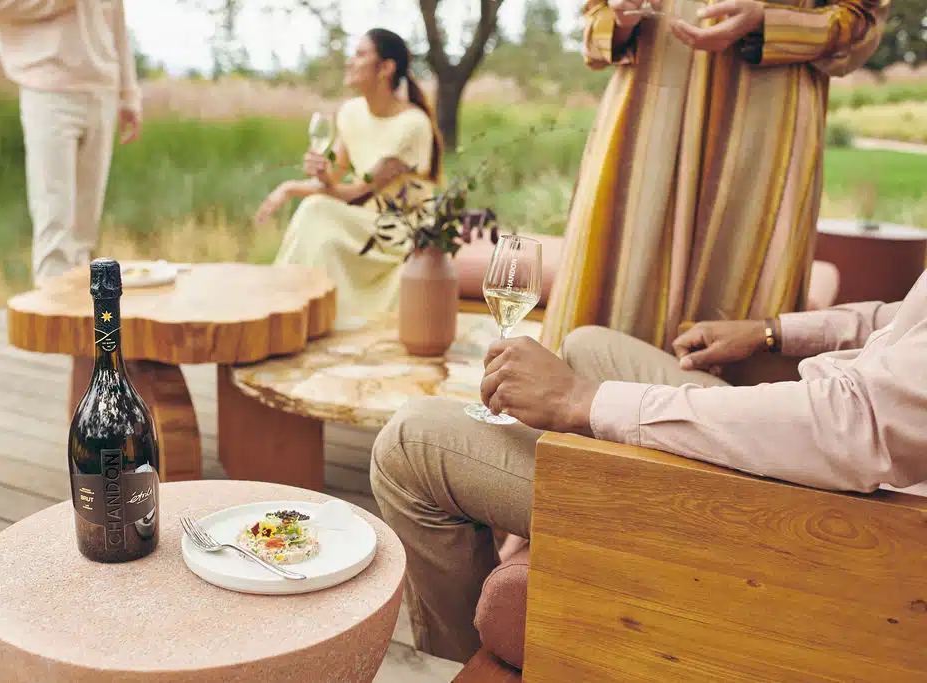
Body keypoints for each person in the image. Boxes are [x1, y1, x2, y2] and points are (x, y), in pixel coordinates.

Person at [370, 269, 927, 663]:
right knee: (589, 344)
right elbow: (904, 321)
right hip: (842, 440)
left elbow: (857, 426)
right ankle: (560, 506)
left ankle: (458, 663)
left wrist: (581, 401)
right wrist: (773, 331)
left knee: (411, 443)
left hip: (853, 518)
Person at [540, 0, 889, 353]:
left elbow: (863, 24)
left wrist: (770, 24)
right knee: (617, 301)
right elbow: (594, 20)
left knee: (732, 316)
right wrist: (620, 19)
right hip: (644, 127)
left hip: (763, 134)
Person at [256, 28, 444, 320]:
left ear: (385, 68)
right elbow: (335, 179)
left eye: (360, 55)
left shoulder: (412, 125)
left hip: (401, 228)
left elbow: (357, 190)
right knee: (319, 222)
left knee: (317, 209)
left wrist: (295, 187)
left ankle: (282, 309)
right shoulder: (350, 113)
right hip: (365, 220)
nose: (350, 62)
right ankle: (299, 311)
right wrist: (316, 178)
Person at [0, 0, 142, 286]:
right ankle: (52, 323)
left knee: (84, 231)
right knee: (55, 225)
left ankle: (79, 324)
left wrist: (129, 92)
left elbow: (116, 20)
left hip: (103, 88)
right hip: (48, 88)